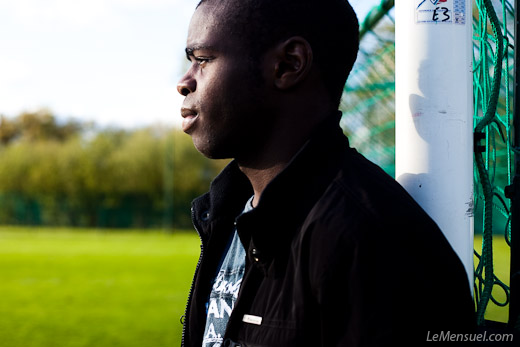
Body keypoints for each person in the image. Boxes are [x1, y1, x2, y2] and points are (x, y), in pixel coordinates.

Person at [177, 0, 475, 346]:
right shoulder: (227, 213)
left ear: (288, 65)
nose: (184, 82)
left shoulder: (374, 243)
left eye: (202, 59)